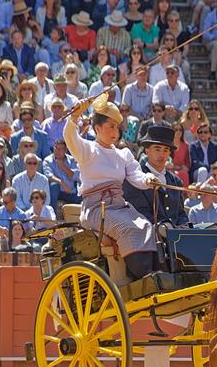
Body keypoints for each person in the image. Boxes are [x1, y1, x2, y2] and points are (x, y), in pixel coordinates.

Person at [65, 92, 158, 280]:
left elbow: (137, 176)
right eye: (110, 126)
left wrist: (149, 179)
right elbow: (70, 138)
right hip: (96, 209)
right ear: (97, 128)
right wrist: (75, 116)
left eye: (117, 127)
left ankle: (148, 275)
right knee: (127, 228)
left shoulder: (123, 154)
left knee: (147, 226)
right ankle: (140, 277)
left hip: (119, 206)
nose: (115, 131)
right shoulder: (87, 150)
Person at [124, 124, 188, 227]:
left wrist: (184, 227)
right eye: (157, 149)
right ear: (147, 151)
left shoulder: (176, 181)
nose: (162, 154)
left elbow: (181, 213)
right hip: (148, 237)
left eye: (166, 150)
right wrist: (161, 227)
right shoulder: (136, 178)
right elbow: (139, 212)